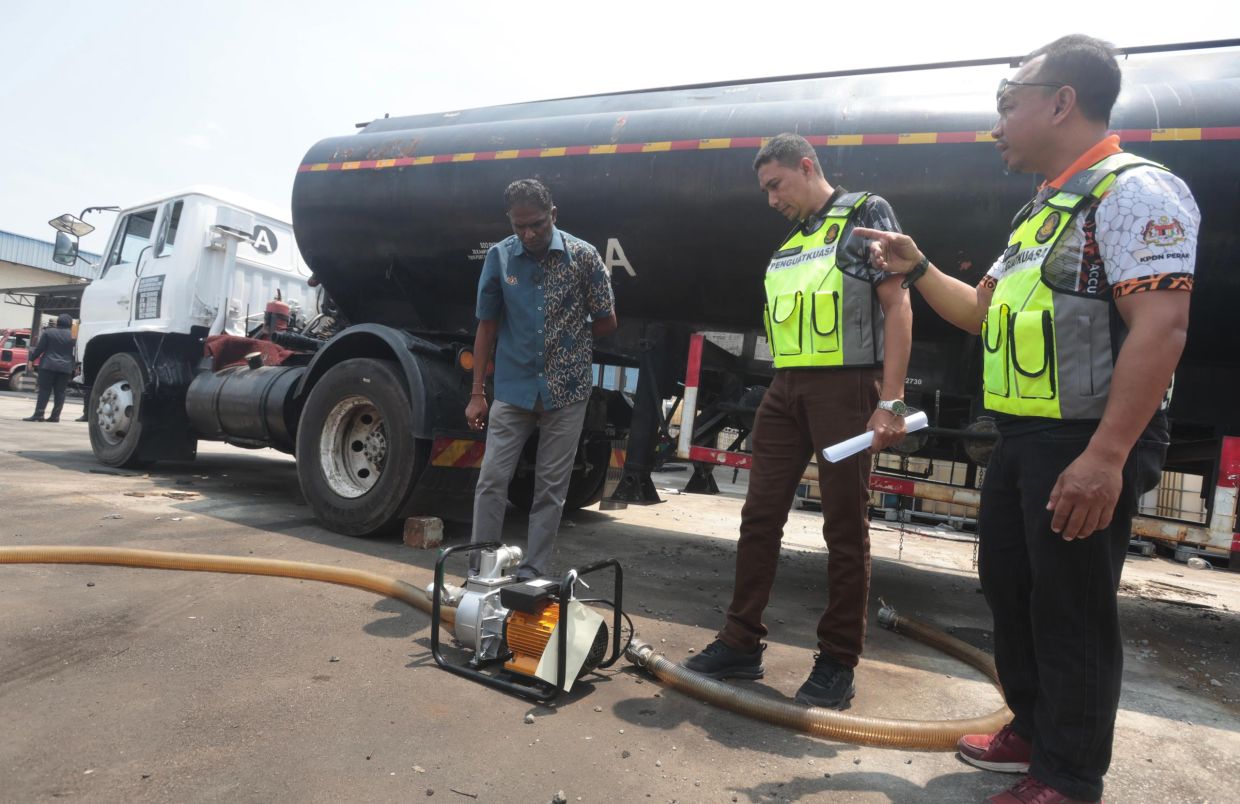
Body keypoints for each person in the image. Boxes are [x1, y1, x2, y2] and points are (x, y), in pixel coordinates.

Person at [853, 35, 1198, 804]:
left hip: (1084, 437)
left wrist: (1106, 457)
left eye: (1008, 104)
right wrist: (918, 267)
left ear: (1062, 102)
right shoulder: (1041, 211)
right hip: (1022, 435)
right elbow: (981, 313)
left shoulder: (1136, 192)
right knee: (1010, 586)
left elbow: (1161, 328)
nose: (996, 124)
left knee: (1071, 607)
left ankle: (1069, 777)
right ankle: (1034, 731)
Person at [683, 133, 913, 709]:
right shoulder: (793, 242)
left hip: (846, 386)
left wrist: (891, 400)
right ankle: (740, 641)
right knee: (759, 517)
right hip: (785, 387)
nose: (771, 200)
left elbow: (897, 305)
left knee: (844, 526)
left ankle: (838, 660)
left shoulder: (864, 215)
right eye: (765, 190)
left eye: (775, 185)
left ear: (807, 166)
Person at [466, 179, 617, 580]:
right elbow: (486, 327)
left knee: (550, 489)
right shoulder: (499, 258)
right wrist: (477, 393)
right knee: (491, 480)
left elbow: (607, 320)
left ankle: (532, 573)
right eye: (520, 226)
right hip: (513, 389)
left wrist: (571, 340)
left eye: (537, 224)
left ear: (553, 214)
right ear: (510, 221)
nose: (529, 234)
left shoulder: (583, 257)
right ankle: (481, 570)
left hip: (566, 392)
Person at [23, 314, 77, 423]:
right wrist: (76, 366)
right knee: (60, 392)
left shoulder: (48, 332)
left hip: (48, 366)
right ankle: (55, 416)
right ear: (70, 324)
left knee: (44, 390)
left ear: (58, 322)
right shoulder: (74, 336)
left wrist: (31, 359)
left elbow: (40, 348)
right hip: (65, 368)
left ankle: (39, 414)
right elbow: (76, 353)